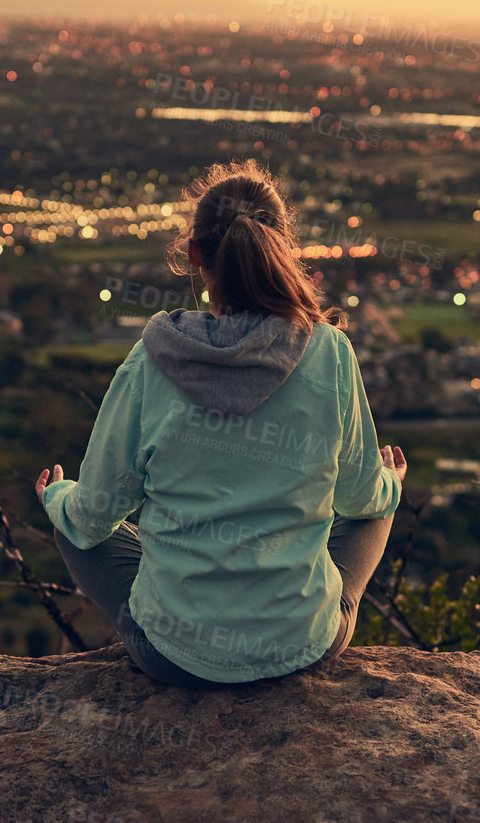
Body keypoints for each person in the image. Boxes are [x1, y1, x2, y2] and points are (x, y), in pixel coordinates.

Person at [35, 160, 405, 687]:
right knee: (380, 505)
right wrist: (390, 484)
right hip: (302, 649)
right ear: (284, 250)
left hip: (172, 658)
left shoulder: (150, 360)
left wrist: (57, 497)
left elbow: (93, 516)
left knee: (72, 529)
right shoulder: (330, 354)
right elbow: (361, 499)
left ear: (193, 257)